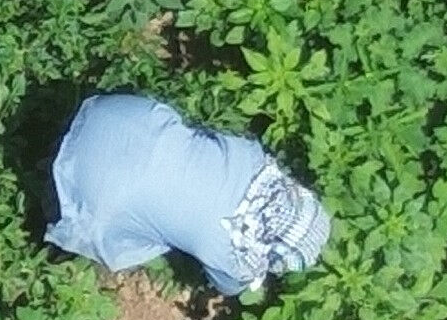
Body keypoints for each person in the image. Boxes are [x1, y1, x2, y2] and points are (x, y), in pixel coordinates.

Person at [42, 94, 332, 299]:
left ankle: (60, 128)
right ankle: (49, 188)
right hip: (92, 188)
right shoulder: (234, 259)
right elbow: (228, 287)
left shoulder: (253, 158)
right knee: (136, 232)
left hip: (116, 114)